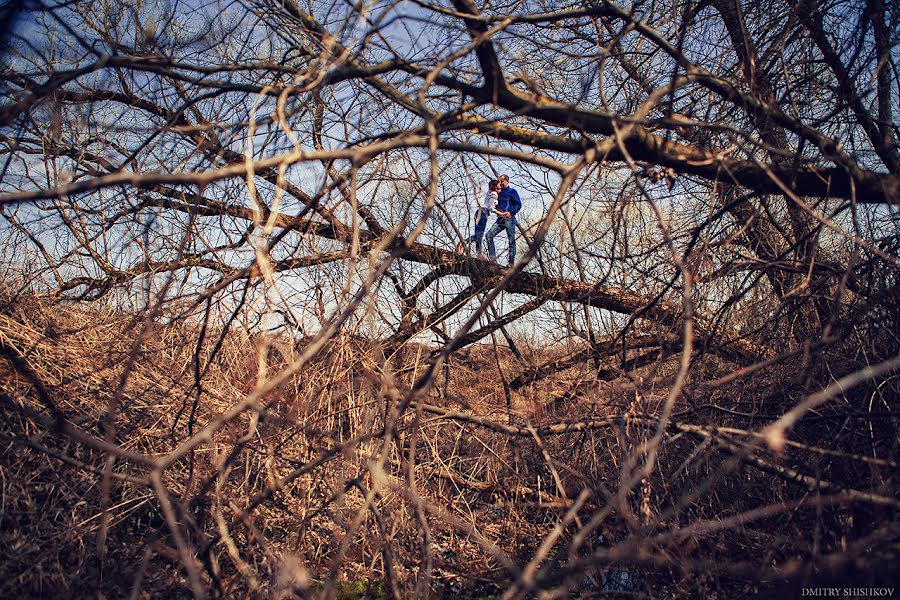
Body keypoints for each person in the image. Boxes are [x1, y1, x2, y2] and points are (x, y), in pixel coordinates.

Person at [456, 179, 501, 258]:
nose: (500, 187)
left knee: (478, 235)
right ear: (495, 186)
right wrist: (501, 213)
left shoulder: (489, 193)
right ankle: (464, 244)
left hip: (478, 212)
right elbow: (490, 208)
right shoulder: (494, 194)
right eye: (499, 185)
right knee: (479, 235)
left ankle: (478, 253)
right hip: (483, 213)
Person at [486, 174, 521, 266]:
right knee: (488, 236)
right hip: (500, 220)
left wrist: (511, 212)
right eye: (499, 181)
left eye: (501, 181)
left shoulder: (512, 192)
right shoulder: (498, 193)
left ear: (506, 181)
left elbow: (518, 204)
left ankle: (511, 263)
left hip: (510, 219)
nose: (500, 183)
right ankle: (492, 260)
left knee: (511, 241)